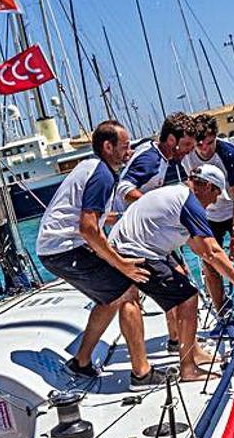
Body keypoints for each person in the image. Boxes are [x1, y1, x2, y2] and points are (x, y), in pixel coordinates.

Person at [35, 120, 169, 390]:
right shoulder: (103, 175)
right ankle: (141, 373)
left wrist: (126, 218)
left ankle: (81, 363)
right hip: (64, 249)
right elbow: (87, 228)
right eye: (125, 146)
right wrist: (122, 265)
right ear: (108, 147)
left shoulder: (91, 167)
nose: (129, 152)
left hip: (56, 249)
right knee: (128, 290)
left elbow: (92, 219)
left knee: (109, 299)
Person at [107, 165, 234, 382]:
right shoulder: (189, 202)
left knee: (183, 287)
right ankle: (188, 369)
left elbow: (200, 249)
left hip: (128, 248)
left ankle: (193, 351)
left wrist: (233, 268)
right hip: (133, 253)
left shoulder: (178, 196)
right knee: (188, 298)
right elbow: (212, 251)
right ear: (207, 186)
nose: (216, 201)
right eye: (216, 194)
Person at [114, 112, 197, 353]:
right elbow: (124, 189)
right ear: (171, 139)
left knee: (178, 275)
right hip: (132, 236)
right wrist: (154, 204)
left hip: (145, 232)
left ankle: (175, 340)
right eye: (186, 146)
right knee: (172, 285)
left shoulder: (155, 153)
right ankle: (176, 347)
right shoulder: (151, 159)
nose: (188, 152)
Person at [182, 114, 234, 312]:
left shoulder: (229, 155)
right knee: (210, 262)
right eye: (200, 144)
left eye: (209, 143)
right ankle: (222, 311)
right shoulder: (187, 154)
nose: (205, 149)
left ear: (216, 137)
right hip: (209, 212)